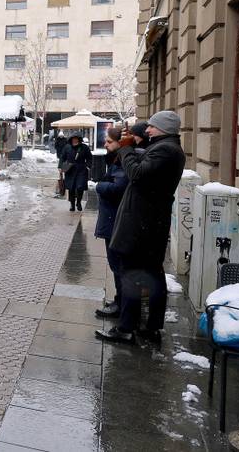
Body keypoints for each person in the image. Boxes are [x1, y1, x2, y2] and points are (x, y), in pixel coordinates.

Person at [95, 110, 186, 344]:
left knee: (132, 275)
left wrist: (125, 149)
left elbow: (137, 173)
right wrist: (130, 149)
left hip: (142, 223)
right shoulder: (166, 148)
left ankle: (126, 328)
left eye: (152, 127)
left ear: (164, 128)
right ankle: (150, 327)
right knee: (151, 275)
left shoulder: (166, 150)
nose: (147, 131)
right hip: (149, 221)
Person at [94, 127, 129, 318]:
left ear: (119, 143)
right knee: (116, 266)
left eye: (108, 142)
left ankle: (122, 304)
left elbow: (118, 188)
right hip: (113, 220)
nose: (105, 145)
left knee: (118, 266)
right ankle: (120, 301)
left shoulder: (123, 162)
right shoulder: (117, 160)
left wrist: (100, 185)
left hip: (116, 221)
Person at [61, 134, 91, 211]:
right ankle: (72, 204)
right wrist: (60, 167)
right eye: (73, 139)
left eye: (76, 139)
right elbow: (62, 157)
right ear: (71, 139)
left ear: (79, 139)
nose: (75, 140)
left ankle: (78, 202)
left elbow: (89, 157)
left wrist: (88, 165)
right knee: (71, 188)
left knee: (80, 187)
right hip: (70, 170)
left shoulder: (84, 147)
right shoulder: (67, 147)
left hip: (81, 170)